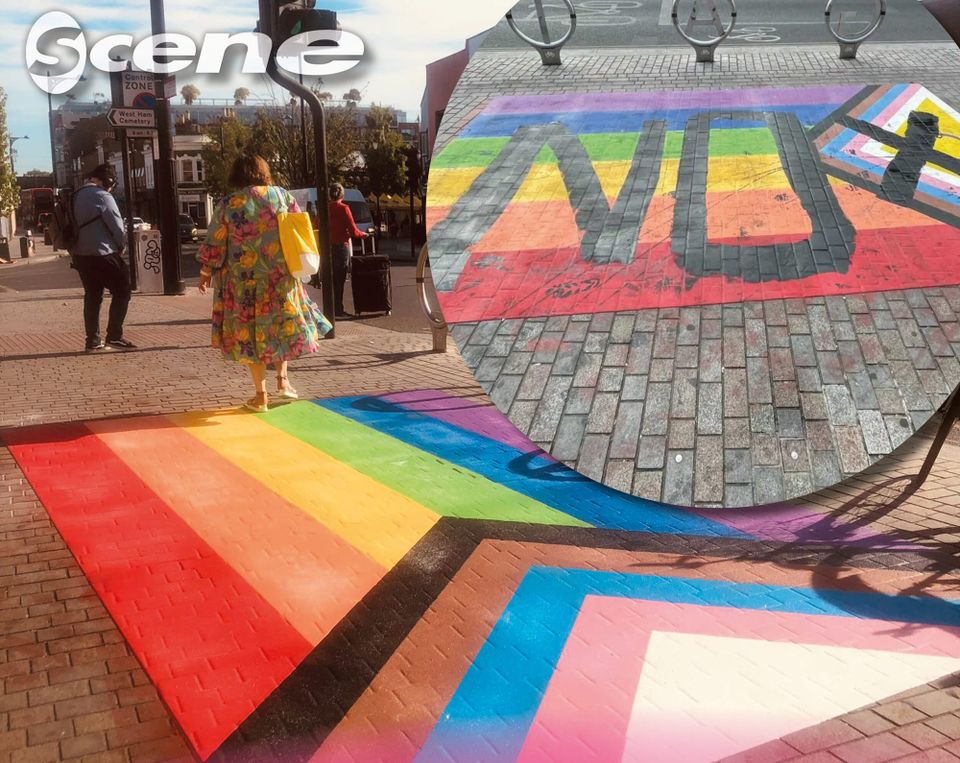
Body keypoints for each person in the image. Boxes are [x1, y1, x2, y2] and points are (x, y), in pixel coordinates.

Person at [197, 154, 332, 412]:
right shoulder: (282, 197)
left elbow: (215, 243)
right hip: (280, 279)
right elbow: (296, 230)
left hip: (243, 284)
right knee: (279, 329)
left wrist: (205, 273)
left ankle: (261, 397)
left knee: (251, 337)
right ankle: (283, 383)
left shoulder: (229, 204)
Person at [71, 164, 135, 352]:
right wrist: (121, 245)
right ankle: (114, 336)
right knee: (123, 289)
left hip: (80, 254)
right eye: (111, 185)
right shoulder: (103, 196)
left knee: (92, 295)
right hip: (103, 252)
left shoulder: (75, 195)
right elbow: (116, 226)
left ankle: (92, 341)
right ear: (106, 181)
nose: (110, 189)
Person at [328, 183, 369, 318]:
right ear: (342, 194)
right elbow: (353, 230)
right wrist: (363, 234)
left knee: (331, 279)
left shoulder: (326, 208)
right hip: (341, 246)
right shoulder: (344, 209)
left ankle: (331, 308)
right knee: (340, 279)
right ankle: (338, 309)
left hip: (328, 247)